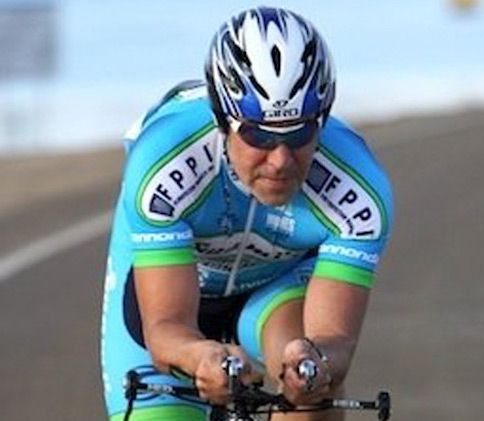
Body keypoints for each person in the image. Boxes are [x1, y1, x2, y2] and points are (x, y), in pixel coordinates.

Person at [101, 6, 393, 421]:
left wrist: (317, 364)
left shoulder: (359, 188)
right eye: (258, 135)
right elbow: (166, 329)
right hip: (181, 290)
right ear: (222, 121)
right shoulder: (163, 165)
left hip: (276, 292)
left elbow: (336, 343)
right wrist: (200, 356)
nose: (280, 160)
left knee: (308, 385)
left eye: (299, 133)